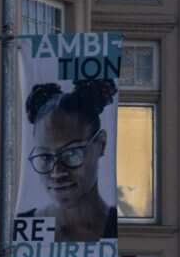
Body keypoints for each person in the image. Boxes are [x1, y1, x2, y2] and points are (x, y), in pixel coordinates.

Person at [23, 78, 118, 244]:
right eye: (45, 157)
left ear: (101, 144)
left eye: (71, 153)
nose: (57, 172)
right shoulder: (23, 228)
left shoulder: (116, 230)